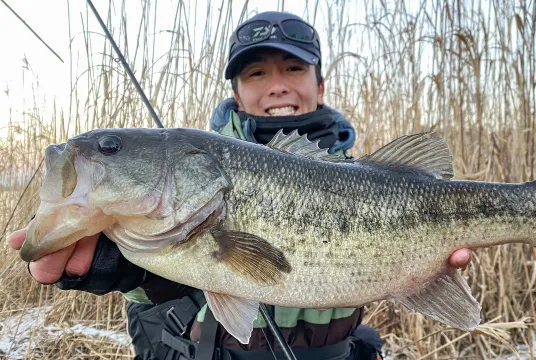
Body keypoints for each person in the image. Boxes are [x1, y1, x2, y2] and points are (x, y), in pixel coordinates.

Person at [7, 11, 473, 360]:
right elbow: (185, 272)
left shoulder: (370, 179)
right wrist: (131, 272)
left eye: (293, 69)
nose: (276, 86)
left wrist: (424, 270)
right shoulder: (164, 210)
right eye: (256, 73)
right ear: (236, 93)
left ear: (320, 85)